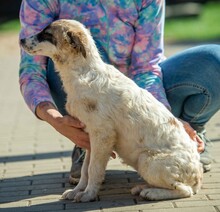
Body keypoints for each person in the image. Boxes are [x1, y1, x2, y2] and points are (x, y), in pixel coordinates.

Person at [19, 0, 220, 182]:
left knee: (214, 59)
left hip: (140, 103)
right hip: (86, 97)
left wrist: (167, 118)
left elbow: (146, 67)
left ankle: (182, 137)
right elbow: (31, 70)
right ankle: (85, 139)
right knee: (59, 61)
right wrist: (55, 120)